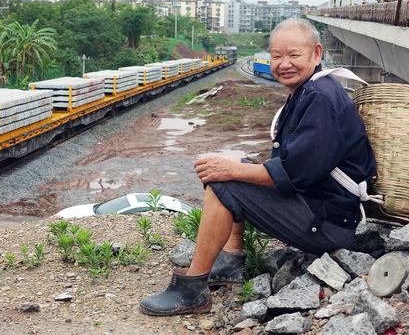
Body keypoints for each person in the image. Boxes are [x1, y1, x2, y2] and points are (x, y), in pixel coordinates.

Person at [139, 18, 377, 316]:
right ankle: (230, 261)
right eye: (277, 56)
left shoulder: (320, 98)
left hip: (329, 224)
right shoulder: (310, 90)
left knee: (224, 181)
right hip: (323, 208)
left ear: (316, 54)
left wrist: (229, 172)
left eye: (294, 55)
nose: (284, 63)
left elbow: (293, 174)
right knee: (235, 165)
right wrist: (236, 166)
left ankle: (192, 290)